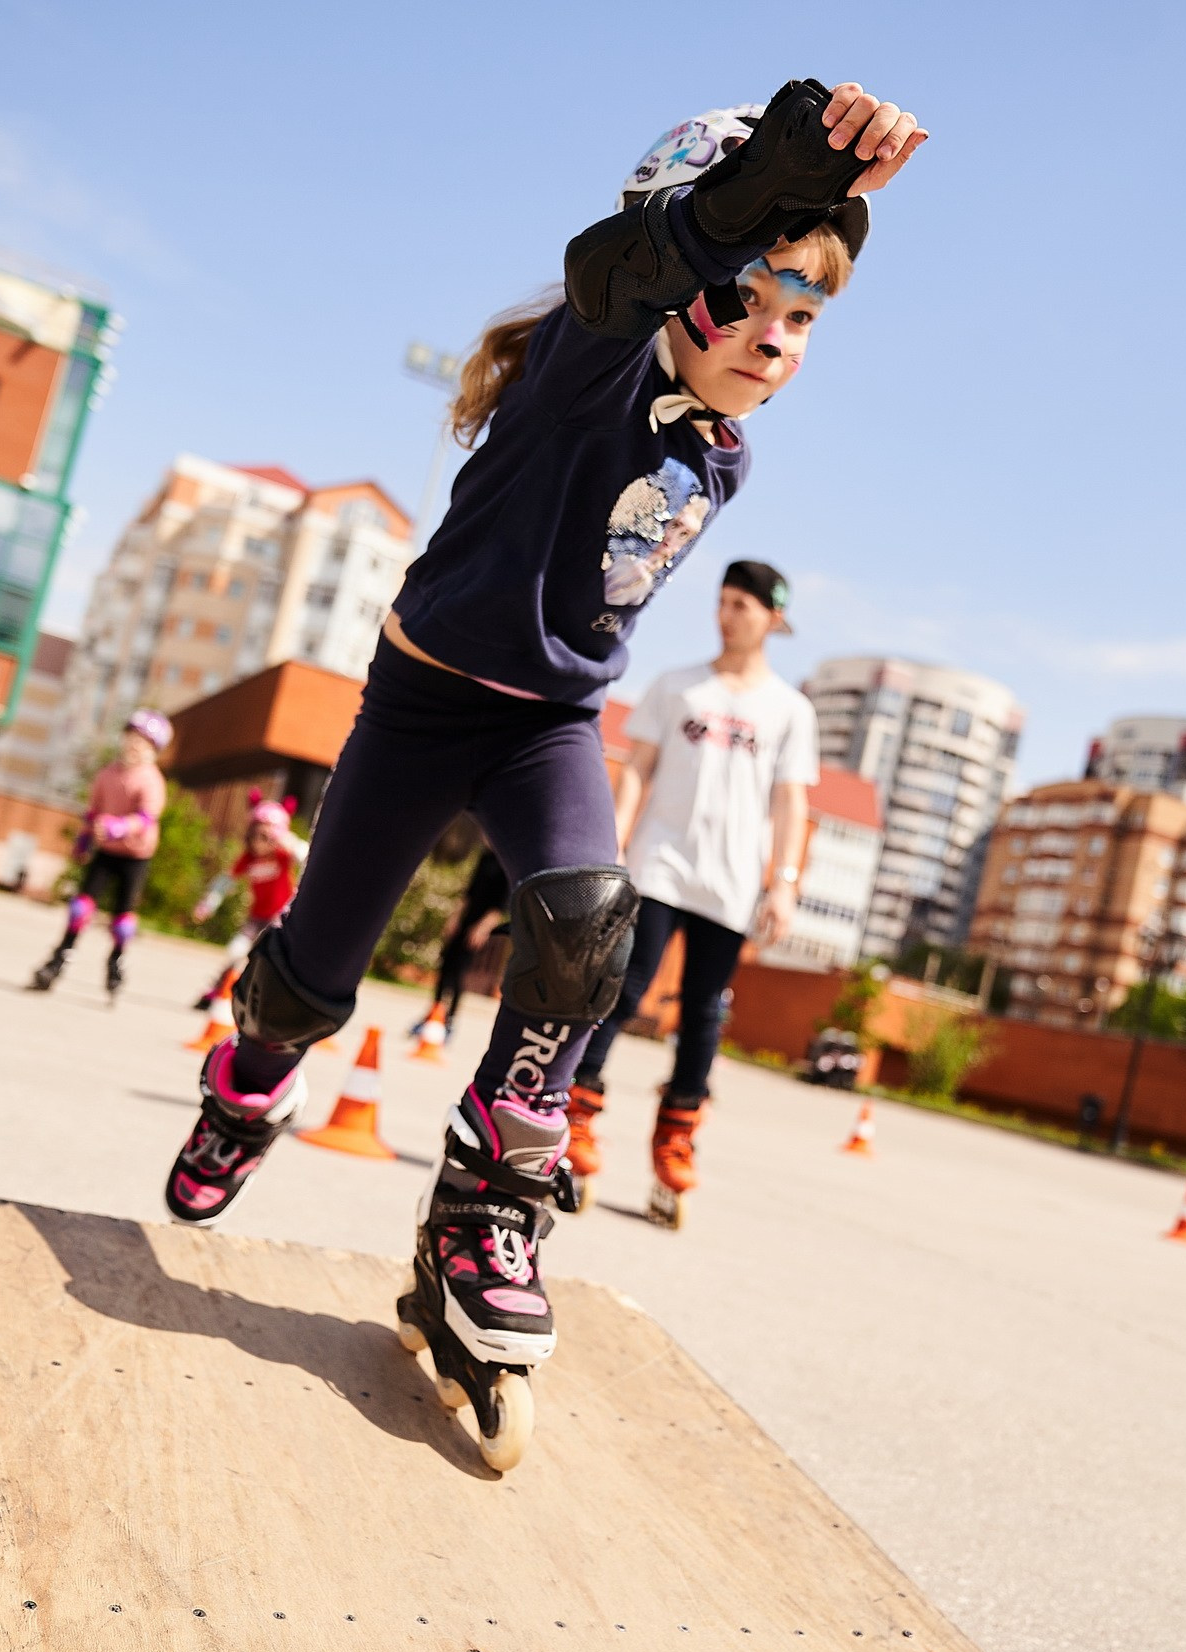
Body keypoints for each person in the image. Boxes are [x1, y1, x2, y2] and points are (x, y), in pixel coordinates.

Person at [155, 79, 925, 1469]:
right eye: (746, 302)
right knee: (314, 977)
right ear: (685, 274)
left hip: (546, 725)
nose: (772, 341)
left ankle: (483, 1207)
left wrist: (784, 237)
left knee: (586, 928)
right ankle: (249, 1078)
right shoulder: (596, 367)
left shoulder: (725, 451)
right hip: (420, 709)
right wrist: (742, 201)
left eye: (803, 321)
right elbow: (617, 279)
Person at [567, 561, 818, 1226]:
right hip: (659, 865)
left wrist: (784, 883)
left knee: (704, 1014)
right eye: (724, 600)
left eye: (743, 605)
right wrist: (611, 845)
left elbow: (793, 804)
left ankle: (675, 1143)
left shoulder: (790, 710)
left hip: (731, 882)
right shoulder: (679, 685)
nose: (727, 613)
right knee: (622, 988)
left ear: (772, 619)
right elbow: (636, 770)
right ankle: (578, 1121)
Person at [29, 710, 170, 1002]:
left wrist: (120, 826)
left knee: (123, 920)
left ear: (153, 750)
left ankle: (116, 961)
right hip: (106, 850)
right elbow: (92, 812)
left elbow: (147, 818)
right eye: (131, 738)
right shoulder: (107, 774)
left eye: (143, 742)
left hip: (136, 856)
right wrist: (83, 840)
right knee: (80, 909)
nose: (134, 746)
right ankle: (58, 959)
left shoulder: (151, 779)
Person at [188, 790, 308, 1009]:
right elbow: (224, 882)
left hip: (281, 917)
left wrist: (284, 839)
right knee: (235, 952)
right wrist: (208, 903)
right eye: (257, 836)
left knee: (273, 960)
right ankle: (218, 990)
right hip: (257, 916)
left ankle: (274, 1002)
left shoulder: (282, 856)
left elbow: (305, 855)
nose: (260, 843)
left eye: (267, 838)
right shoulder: (248, 859)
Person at [410, 844, 511, 1038]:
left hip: (480, 925)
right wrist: (454, 918)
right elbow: (469, 893)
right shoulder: (485, 858)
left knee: (459, 971)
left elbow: (500, 906)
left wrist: (483, 928)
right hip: (465, 919)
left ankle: (450, 1019)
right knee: (445, 965)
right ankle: (434, 1013)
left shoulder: (505, 863)